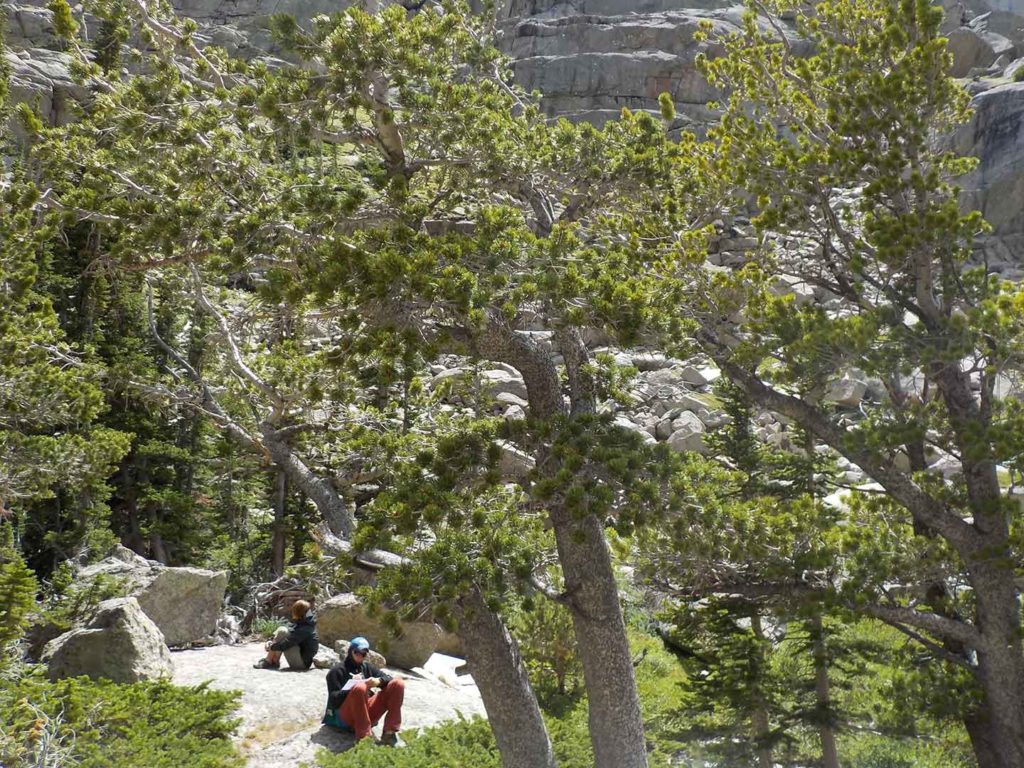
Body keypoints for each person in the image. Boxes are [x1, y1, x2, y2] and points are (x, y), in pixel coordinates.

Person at [322, 636, 405, 746]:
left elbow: (389, 678)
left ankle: (389, 733)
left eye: (364, 654)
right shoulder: (337, 671)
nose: (360, 656)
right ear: (351, 651)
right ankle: (364, 738)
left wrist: (378, 681)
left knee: (398, 684)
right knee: (360, 688)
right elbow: (334, 700)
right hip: (347, 716)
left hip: (366, 712)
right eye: (357, 652)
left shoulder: (367, 668)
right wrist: (352, 687)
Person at [253, 599, 319, 671]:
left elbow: (288, 643)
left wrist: (271, 647)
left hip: (301, 664)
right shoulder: (305, 621)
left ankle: (269, 660)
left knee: (283, 633)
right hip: (299, 656)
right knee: (282, 630)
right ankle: (274, 661)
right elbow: (288, 628)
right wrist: (271, 641)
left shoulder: (306, 627)